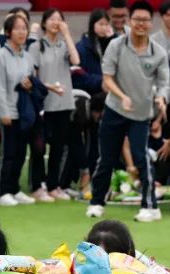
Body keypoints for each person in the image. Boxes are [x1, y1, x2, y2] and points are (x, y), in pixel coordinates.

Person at [87, 1, 169, 223]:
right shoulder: (116, 45)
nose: (141, 24)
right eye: (137, 19)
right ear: (129, 22)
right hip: (115, 109)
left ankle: (150, 206)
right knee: (106, 158)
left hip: (141, 115)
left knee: (142, 158)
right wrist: (122, 97)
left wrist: (161, 98)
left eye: (145, 20)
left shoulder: (158, 52)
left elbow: (163, 83)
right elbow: (107, 78)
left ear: (151, 23)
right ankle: (96, 202)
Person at [28, 8, 79, 203]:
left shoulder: (64, 44)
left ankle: (53, 185)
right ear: (44, 23)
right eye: (51, 19)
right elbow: (33, 75)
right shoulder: (37, 45)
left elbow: (76, 60)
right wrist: (49, 87)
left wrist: (66, 34)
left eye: (59, 19)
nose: (55, 22)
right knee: (39, 147)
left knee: (58, 147)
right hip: (44, 103)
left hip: (63, 103)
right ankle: (37, 185)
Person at [0, 12, 36, 207]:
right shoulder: (0, 55)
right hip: (7, 112)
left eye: (24, 28)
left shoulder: (27, 56)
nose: (21, 32)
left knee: (20, 152)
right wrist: (3, 112)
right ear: (8, 32)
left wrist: (29, 84)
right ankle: (1, 191)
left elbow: (32, 81)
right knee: (6, 153)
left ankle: (14, 188)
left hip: (23, 112)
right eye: (17, 28)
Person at [70, 9, 113, 192]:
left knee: (100, 143)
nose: (104, 28)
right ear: (92, 25)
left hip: (106, 101)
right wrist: (101, 82)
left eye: (106, 24)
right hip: (86, 102)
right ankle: (83, 177)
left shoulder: (111, 44)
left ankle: (98, 181)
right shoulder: (83, 46)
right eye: (100, 24)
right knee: (84, 142)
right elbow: (78, 74)